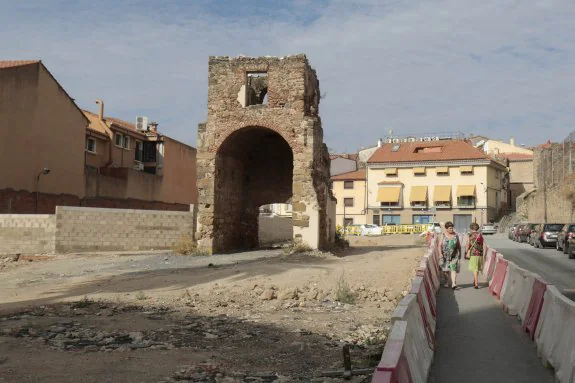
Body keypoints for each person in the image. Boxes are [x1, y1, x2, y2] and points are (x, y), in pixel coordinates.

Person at [437, 221, 461, 289]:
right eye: (450, 228)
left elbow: (459, 245)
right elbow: (439, 245)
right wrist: (440, 254)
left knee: (453, 269)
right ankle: (447, 282)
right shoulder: (443, 235)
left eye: (452, 228)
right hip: (445, 256)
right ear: (446, 229)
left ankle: (453, 283)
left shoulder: (456, 235)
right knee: (446, 270)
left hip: (454, 255)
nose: (452, 229)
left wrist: (460, 254)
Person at [466, 222, 485, 289]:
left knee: (475, 269)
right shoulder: (480, 235)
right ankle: (475, 281)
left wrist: (466, 251)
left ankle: (476, 283)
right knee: (477, 268)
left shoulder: (470, 235)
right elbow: (483, 245)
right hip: (480, 254)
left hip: (473, 254)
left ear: (471, 228)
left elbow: (468, 244)